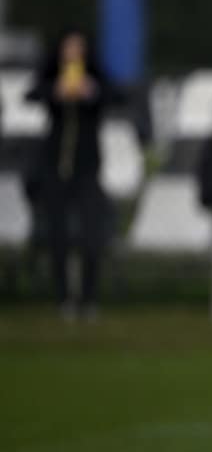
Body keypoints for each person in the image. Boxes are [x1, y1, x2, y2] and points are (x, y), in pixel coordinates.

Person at [25, 28, 119, 322]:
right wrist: (57, 91)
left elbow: (117, 94)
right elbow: (32, 93)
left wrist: (89, 91)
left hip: (87, 170)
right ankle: (64, 297)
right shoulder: (52, 80)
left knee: (92, 236)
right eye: (69, 49)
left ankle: (90, 299)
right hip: (55, 168)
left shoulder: (96, 81)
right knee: (59, 238)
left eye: (79, 49)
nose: (74, 54)